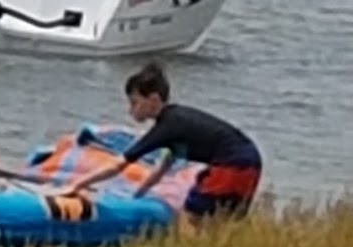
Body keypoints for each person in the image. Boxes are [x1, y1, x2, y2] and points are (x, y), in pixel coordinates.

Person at [53, 60, 262, 227]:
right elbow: (160, 170)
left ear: (153, 99)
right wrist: (135, 197)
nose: (131, 110)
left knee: (189, 215)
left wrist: (77, 184)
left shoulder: (168, 124)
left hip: (232, 163)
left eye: (135, 102)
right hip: (251, 159)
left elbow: (119, 163)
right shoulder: (175, 123)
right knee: (225, 220)